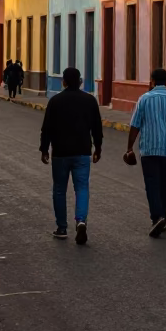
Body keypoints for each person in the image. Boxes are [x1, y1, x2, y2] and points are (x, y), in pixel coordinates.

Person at [125, 68, 166, 237]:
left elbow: (135, 125)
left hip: (149, 149)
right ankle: (163, 215)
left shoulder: (145, 99)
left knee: (152, 183)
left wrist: (129, 147)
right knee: (164, 183)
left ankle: (157, 217)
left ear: (152, 81)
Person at [39, 67, 103, 244]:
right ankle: (81, 221)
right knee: (82, 188)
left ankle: (61, 228)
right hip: (82, 152)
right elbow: (97, 127)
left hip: (60, 153)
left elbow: (47, 128)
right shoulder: (89, 100)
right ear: (80, 82)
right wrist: (98, 148)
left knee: (59, 190)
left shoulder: (55, 101)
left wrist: (44, 149)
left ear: (64, 82)